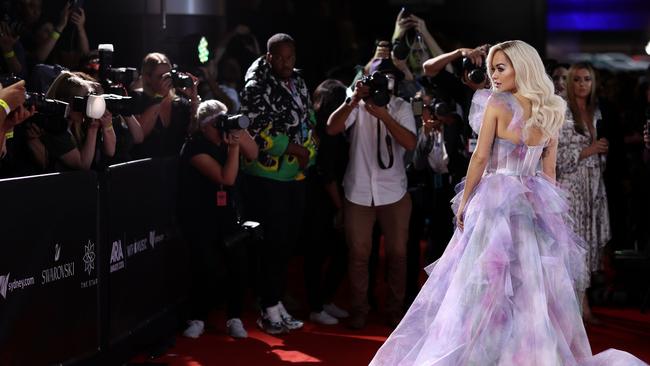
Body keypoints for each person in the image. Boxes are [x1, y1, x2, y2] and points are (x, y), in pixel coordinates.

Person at [370, 40, 647, 365]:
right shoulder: (552, 108)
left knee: (480, 284)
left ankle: (482, 352)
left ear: (522, 67)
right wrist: (548, 212)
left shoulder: (498, 104)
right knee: (529, 287)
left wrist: (465, 201)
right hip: (532, 201)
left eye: (501, 68)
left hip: (495, 201)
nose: (494, 75)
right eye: (492, 68)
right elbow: (548, 172)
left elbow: (481, 157)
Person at [327, 57, 417, 330]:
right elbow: (332, 128)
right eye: (378, 78)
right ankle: (359, 310)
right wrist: (353, 99)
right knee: (358, 254)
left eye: (388, 79)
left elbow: (410, 143)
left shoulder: (400, 106)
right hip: (359, 190)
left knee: (398, 254)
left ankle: (395, 311)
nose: (383, 84)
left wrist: (385, 116)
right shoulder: (355, 102)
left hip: (394, 192)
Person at [239, 33, 317, 335]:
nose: (286, 63)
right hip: (266, 176)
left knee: (286, 243)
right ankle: (268, 307)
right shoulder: (255, 85)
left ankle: (274, 301)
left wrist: (310, 150)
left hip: (295, 175)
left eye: (291, 57)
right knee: (273, 242)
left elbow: (308, 117)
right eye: (280, 57)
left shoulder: (297, 80)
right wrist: (297, 150)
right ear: (269, 57)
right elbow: (258, 131)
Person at [177, 99, 258, 339]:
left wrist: (239, 134)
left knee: (239, 266)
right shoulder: (194, 147)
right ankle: (198, 317)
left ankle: (234, 318)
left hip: (228, 214)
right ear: (203, 126)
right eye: (216, 123)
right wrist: (233, 149)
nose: (221, 126)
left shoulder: (228, 136)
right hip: (200, 216)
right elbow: (227, 177)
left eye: (223, 119)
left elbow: (253, 154)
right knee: (206, 268)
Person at [556, 62, 611, 324]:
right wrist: (590, 150)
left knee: (586, 247)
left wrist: (600, 152)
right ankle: (577, 310)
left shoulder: (594, 110)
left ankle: (582, 305)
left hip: (592, 187)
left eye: (587, 79)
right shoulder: (563, 111)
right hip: (570, 188)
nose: (582, 84)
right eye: (577, 79)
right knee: (572, 247)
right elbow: (556, 157)